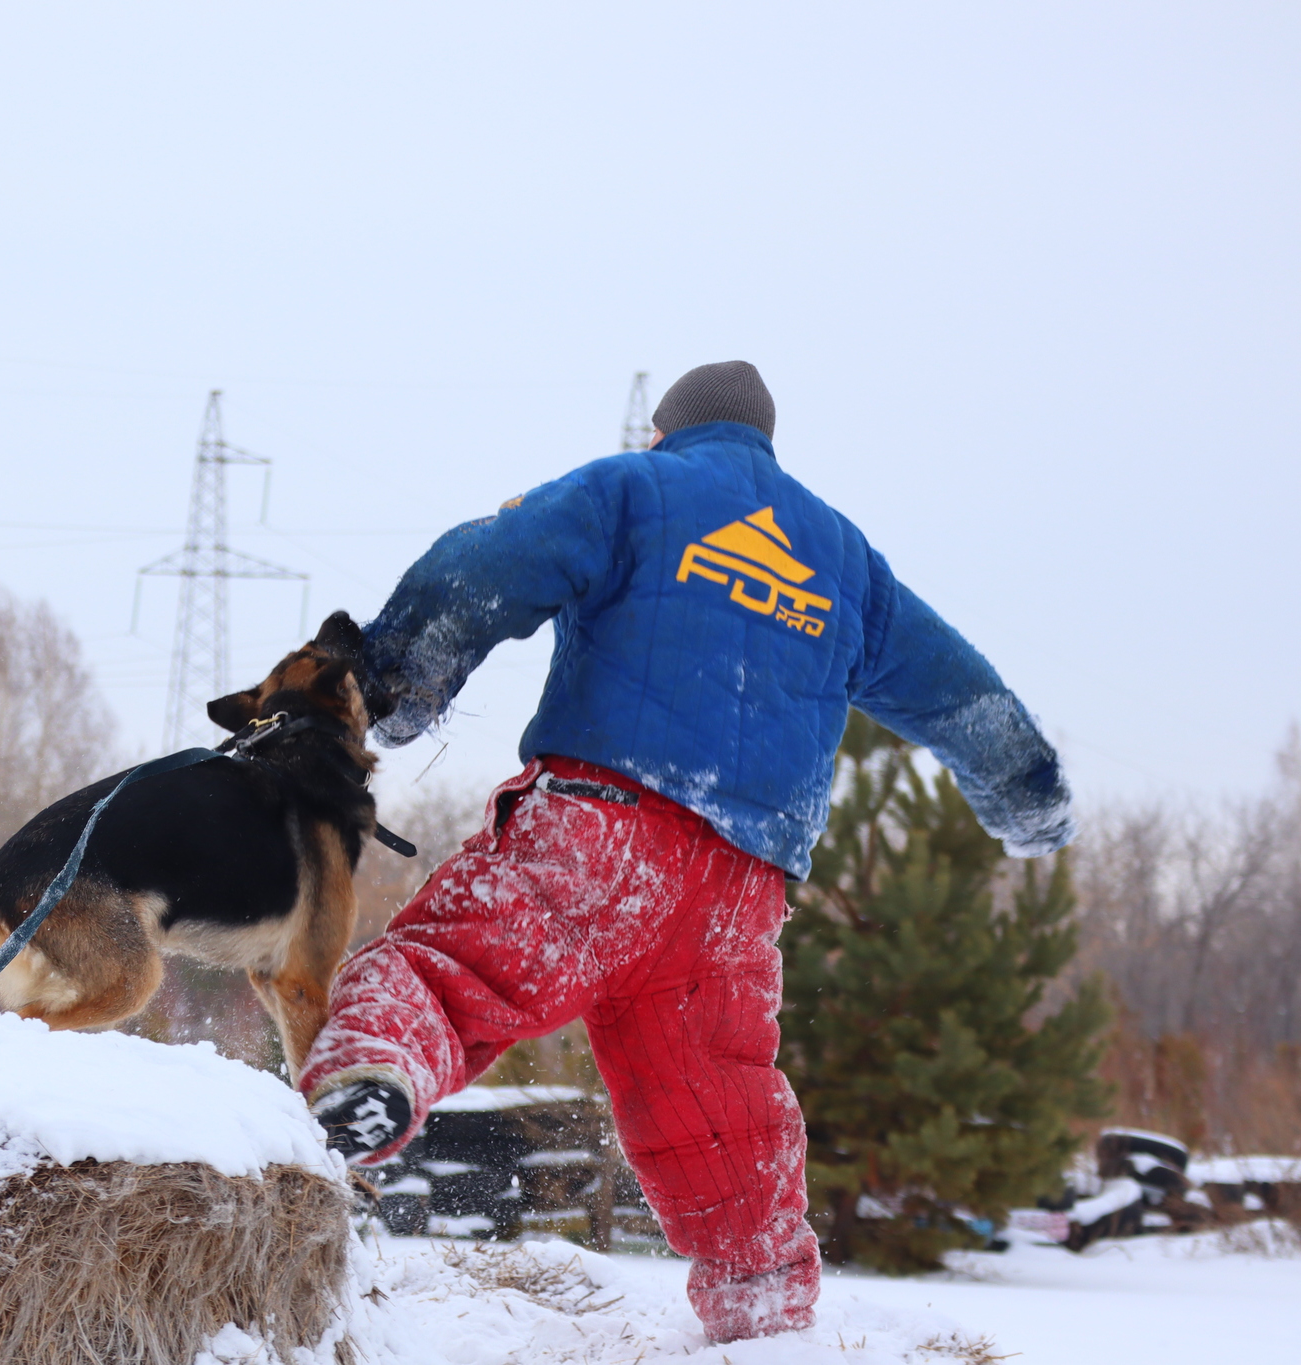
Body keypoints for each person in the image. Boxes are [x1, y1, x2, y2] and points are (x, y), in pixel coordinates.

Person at [303, 361, 1074, 1343]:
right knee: (716, 1105)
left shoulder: (634, 488)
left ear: (665, 432)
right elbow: (954, 685)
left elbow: (493, 561)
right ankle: (764, 1315)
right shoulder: (841, 560)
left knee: (461, 969)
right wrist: (1026, 794)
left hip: (601, 827)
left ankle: (370, 1076)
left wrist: (399, 678)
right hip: (736, 891)